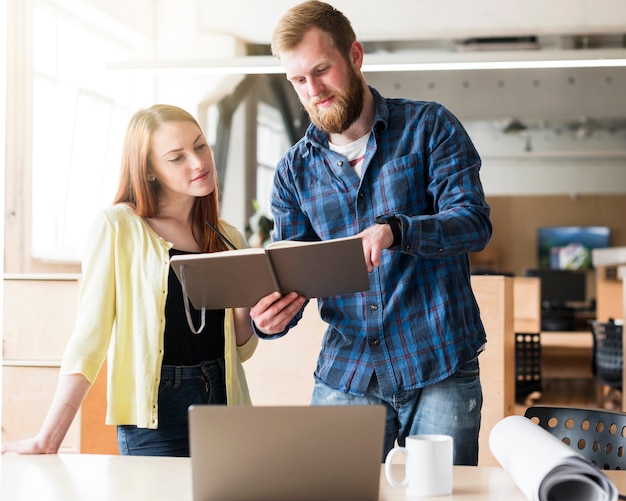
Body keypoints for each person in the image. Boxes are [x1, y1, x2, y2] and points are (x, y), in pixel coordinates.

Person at [250, 1, 492, 465]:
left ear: (355, 56)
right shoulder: (293, 172)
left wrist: (397, 231)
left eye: (322, 70)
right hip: (350, 370)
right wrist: (273, 318)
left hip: (437, 360)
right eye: (298, 80)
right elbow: (295, 272)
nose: (313, 90)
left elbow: (474, 222)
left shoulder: (429, 127)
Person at [2, 104, 258, 457]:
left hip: (225, 401)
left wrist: (250, 306)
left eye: (200, 146)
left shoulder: (228, 236)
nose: (198, 162)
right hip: (155, 410)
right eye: (176, 157)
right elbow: (89, 340)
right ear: (149, 171)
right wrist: (48, 439)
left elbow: (240, 348)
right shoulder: (117, 227)